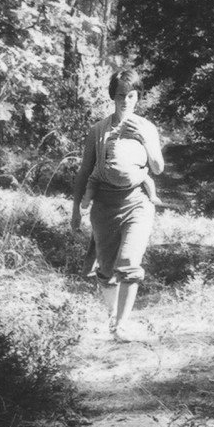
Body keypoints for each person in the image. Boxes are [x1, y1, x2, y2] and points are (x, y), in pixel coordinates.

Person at [70, 69, 164, 341]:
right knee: (106, 269)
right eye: (121, 95)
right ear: (113, 96)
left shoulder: (146, 127)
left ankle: (121, 325)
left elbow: (158, 168)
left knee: (129, 263)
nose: (126, 101)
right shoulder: (98, 130)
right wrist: (76, 211)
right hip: (105, 206)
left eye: (131, 96)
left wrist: (144, 139)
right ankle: (112, 316)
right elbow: (84, 172)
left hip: (138, 202)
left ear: (138, 97)